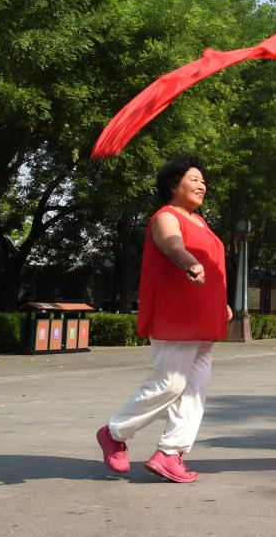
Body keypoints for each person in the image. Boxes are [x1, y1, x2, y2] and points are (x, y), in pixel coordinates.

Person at [96, 156, 231, 483]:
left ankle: (171, 453)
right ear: (174, 185)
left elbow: (213, 268)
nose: (202, 185)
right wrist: (189, 263)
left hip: (203, 318)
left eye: (203, 181)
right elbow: (173, 245)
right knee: (170, 383)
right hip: (176, 316)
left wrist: (221, 303)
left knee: (195, 390)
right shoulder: (165, 217)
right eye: (195, 179)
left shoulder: (202, 222)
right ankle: (114, 432)